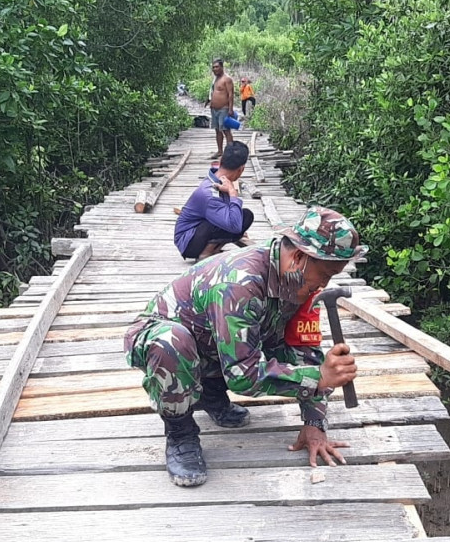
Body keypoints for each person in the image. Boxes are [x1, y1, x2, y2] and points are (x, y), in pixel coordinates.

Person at [124, 207, 369, 487]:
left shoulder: (299, 283)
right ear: (300, 258)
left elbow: (305, 355)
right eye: (325, 275)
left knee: (240, 342)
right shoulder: (240, 282)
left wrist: (314, 424)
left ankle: (210, 392)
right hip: (162, 337)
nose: (325, 285)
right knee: (172, 343)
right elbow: (243, 376)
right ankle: (180, 432)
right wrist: (320, 377)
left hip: (212, 342)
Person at [174, 141, 254, 261]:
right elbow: (234, 226)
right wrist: (233, 193)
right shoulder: (209, 194)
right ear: (241, 169)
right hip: (188, 242)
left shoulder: (217, 178)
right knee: (232, 222)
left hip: (201, 231)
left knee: (246, 215)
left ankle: (214, 248)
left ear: (221, 161)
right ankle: (206, 253)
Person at [204, 58, 235, 158]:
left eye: (217, 67)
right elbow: (213, 92)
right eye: (213, 67)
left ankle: (230, 152)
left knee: (226, 130)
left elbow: (231, 94)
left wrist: (230, 109)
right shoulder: (215, 79)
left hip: (224, 109)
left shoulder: (227, 79)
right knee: (217, 130)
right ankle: (220, 151)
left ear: (222, 67)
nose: (215, 69)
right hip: (214, 109)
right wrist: (209, 100)